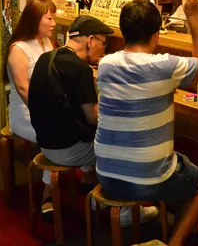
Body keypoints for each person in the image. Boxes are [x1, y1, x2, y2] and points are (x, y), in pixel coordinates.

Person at [96, 0, 198, 246]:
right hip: (147, 181)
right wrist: (192, 14)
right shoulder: (164, 67)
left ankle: (197, 222)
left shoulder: (106, 64)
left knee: (171, 167)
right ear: (155, 35)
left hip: (106, 174)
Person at [28, 15, 158, 226]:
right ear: (90, 41)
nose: (103, 52)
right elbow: (93, 117)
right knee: (125, 146)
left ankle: (101, 201)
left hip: (45, 144)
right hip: (69, 150)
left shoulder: (46, 58)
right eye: (103, 44)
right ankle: (126, 210)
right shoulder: (79, 68)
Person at [4, 0, 56, 212]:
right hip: (24, 113)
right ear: (36, 19)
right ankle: (47, 196)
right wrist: (43, 115)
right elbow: (23, 88)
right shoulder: (18, 49)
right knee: (53, 136)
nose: (54, 23)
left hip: (48, 110)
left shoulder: (46, 42)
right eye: (50, 18)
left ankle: (87, 176)